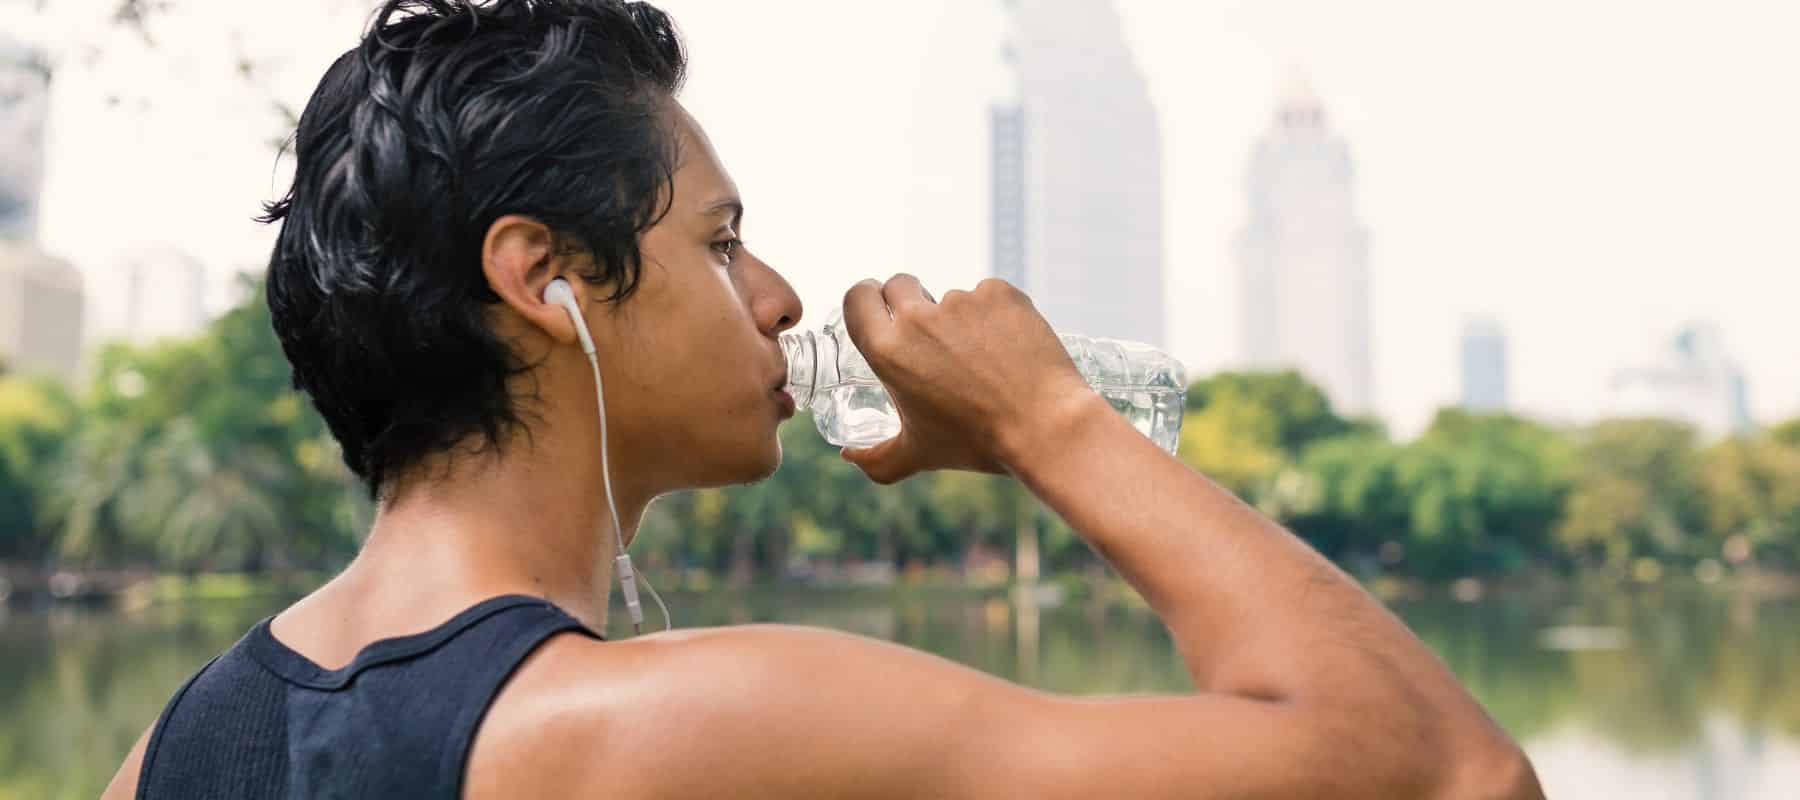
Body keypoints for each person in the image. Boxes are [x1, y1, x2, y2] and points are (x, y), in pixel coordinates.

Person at [103, 1, 1543, 797]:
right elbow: (1445, 774)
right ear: (546, 280)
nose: (779, 297)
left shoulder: (166, 756)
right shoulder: (671, 730)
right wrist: (1051, 423)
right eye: (718, 244)